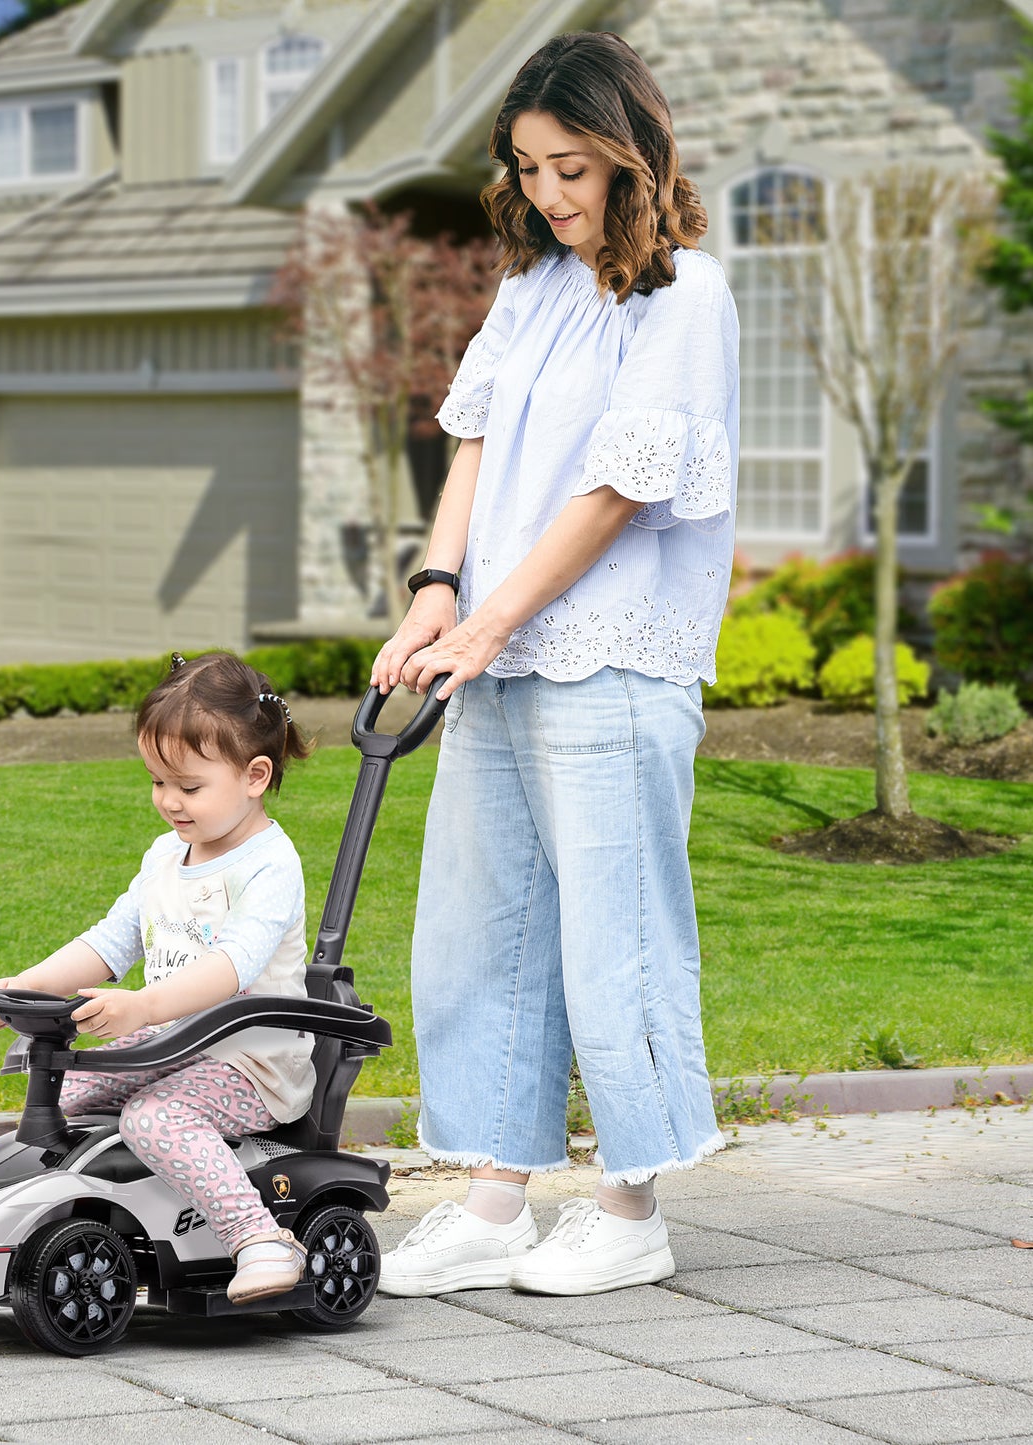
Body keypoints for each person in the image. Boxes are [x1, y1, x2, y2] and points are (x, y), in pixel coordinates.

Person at [371, 30, 739, 1298]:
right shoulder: (528, 290)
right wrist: (433, 593)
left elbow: (613, 494)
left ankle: (631, 1204)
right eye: (527, 168)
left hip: (611, 664)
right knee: (481, 933)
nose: (548, 194)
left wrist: (485, 623)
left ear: (633, 155)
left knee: (613, 937)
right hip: (498, 660)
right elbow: (469, 447)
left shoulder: (682, 299)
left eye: (572, 167)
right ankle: (491, 1201)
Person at [0, 651, 315, 1305]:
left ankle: (257, 1237)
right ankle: (68, 1221)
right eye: (157, 781)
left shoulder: (269, 865)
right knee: (65, 1088)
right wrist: (29, 984)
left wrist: (143, 1006)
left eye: (187, 786)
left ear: (254, 775)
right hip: (168, 1045)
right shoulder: (165, 854)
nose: (168, 801)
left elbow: (231, 967)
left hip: (248, 1062)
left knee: (156, 1116)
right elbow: (109, 942)